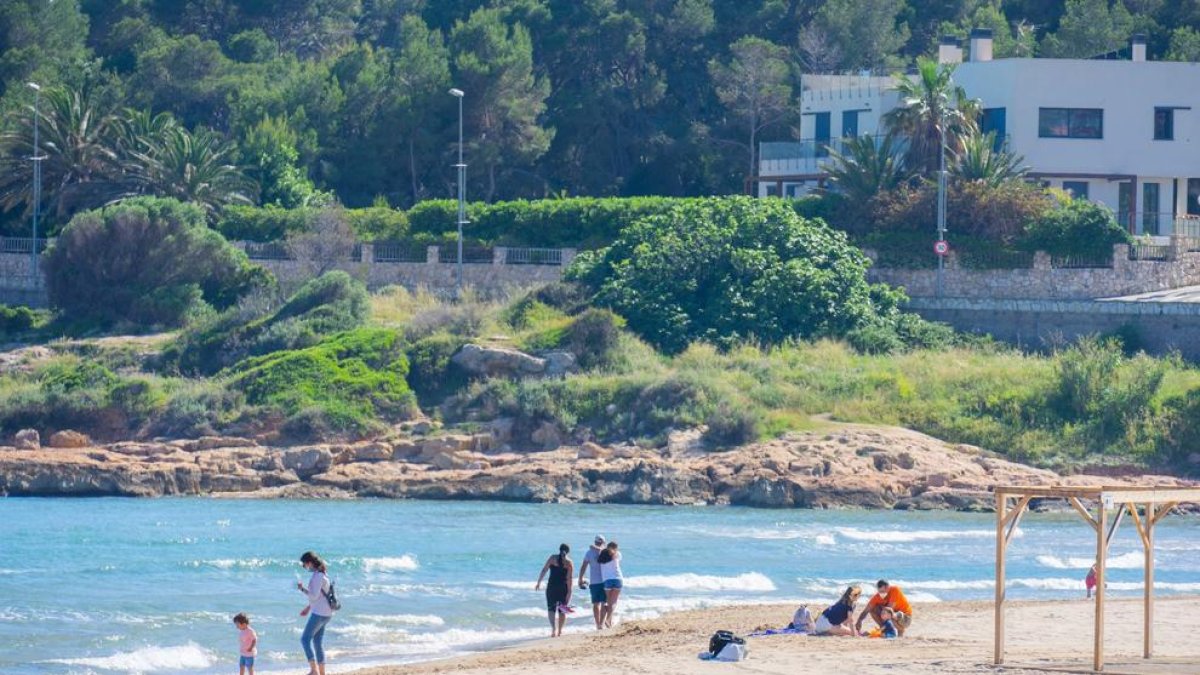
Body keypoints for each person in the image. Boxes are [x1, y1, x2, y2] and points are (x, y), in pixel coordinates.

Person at [297, 551, 334, 675]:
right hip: (326, 613)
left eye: (304, 564)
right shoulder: (323, 574)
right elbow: (320, 597)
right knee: (317, 642)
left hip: (319, 613)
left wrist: (302, 590)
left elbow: (314, 596)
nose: (305, 567)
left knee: (304, 639)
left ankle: (314, 670)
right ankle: (321, 673)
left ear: (310, 563)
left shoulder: (317, 576)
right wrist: (308, 608)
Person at [535, 543, 575, 637]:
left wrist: (539, 582)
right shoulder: (569, 563)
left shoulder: (552, 558)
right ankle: (560, 631)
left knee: (551, 609)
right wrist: (569, 591)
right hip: (563, 588)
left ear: (559, 549)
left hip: (551, 587)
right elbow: (569, 578)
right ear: (568, 552)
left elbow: (544, 569)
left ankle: (553, 628)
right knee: (562, 610)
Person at [577, 535, 607, 630]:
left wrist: (580, 578)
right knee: (604, 603)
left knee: (595, 604)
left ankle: (598, 624)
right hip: (605, 581)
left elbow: (584, 566)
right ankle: (601, 624)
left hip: (594, 582)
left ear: (595, 542)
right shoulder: (605, 552)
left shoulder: (589, 553)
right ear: (603, 543)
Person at [598, 541, 623, 628]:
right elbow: (615, 552)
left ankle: (608, 622)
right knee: (613, 602)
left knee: (608, 602)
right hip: (617, 579)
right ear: (615, 548)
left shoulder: (601, 555)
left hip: (607, 581)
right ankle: (608, 620)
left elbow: (595, 547)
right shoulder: (617, 555)